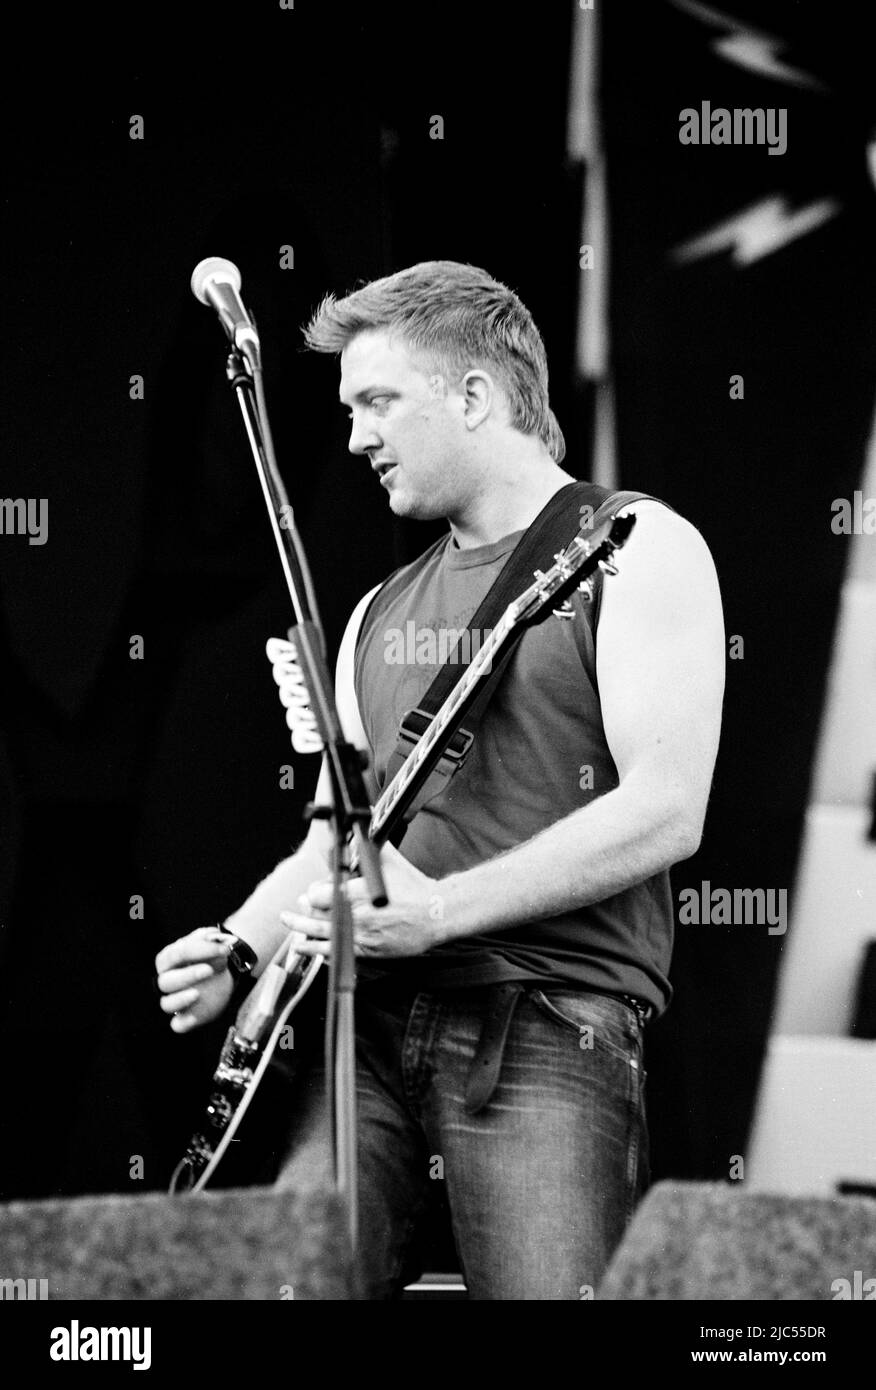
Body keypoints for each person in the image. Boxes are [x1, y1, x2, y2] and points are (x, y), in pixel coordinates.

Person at [155, 260, 725, 1299]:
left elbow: (665, 806)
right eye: (344, 410)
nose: (354, 437)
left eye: (377, 401)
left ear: (474, 395)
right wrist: (243, 945)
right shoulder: (374, 613)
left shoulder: (640, 548)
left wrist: (446, 909)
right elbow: (342, 838)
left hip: (545, 1017)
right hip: (363, 1026)